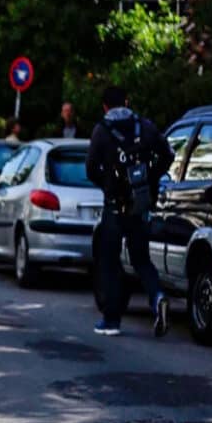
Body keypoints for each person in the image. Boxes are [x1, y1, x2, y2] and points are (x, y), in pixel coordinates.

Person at [85, 86, 173, 338]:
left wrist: (108, 184)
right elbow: (167, 155)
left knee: (110, 261)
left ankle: (111, 320)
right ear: (127, 101)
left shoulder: (101, 131)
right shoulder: (145, 126)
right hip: (140, 204)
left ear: (104, 106)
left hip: (114, 205)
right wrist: (148, 179)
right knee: (141, 259)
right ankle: (157, 297)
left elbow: (90, 168)